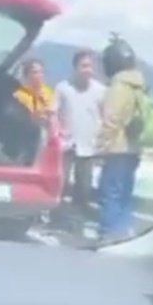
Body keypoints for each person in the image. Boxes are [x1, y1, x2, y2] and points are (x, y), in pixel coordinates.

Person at [95, 34, 150, 240]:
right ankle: (126, 230)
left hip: (117, 148)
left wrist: (101, 147)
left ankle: (110, 233)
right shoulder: (140, 86)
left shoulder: (119, 87)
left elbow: (111, 120)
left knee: (110, 192)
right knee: (126, 192)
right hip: (135, 147)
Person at [54, 50, 107, 228]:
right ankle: (57, 218)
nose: (88, 70)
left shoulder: (100, 90)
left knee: (83, 186)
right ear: (75, 67)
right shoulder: (63, 88)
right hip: (67, 144)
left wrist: (103, 142)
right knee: (60, 183)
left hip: (89, 145)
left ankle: (78, 219)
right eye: (84, 66)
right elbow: (54, 113)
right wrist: (57, 133)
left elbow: (106, 116)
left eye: (90, 66)